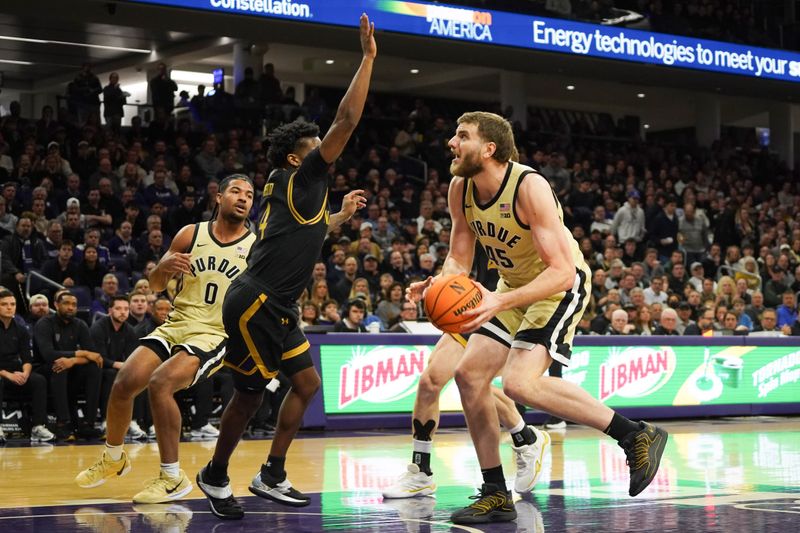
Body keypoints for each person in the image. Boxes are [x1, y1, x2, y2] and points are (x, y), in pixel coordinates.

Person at [407, 111, 667, 524]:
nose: (451, 143)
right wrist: (438, 283)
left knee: (518, 383)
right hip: (512, 286)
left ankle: (635, 434)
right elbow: (459, 256)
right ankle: (495, 492)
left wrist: (498, 302)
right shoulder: (461, 188)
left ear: (489, 148)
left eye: (462, 136)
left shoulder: (529, 187)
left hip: (559, 284)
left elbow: (561, 271)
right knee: (469, 375)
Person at [195, 14, 376, 520]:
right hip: (256, 302)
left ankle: (271, 473)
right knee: (250, 398)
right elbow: (346, 121)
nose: (324, 150)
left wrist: (339, 216)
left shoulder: (290, 187)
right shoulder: (304, 175)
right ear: (300, 159)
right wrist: (367, 59)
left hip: (275, 305)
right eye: (313, 148)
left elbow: (309, 231)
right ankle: (214, 475)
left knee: (307, 385)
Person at [74, 175, 256, 504]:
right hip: (176, 323)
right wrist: (164, 265)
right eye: (236, 191)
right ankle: (114, 458)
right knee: (124, 382)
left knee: (160, 383)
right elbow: (156, 284)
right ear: (218, 197)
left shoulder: (256, 245)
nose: (243, 198)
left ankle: (172, 477)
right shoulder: (192, 233)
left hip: (215, 333)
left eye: (249, 194)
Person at [33, 291, 103, 441]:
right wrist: (80, 353)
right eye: (66, 304)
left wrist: (73, 360)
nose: (71, 307)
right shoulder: (44, 323)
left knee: (94, 368)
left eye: (74, 304)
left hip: (72, 368)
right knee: (60, 366)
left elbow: (94, 356)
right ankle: (63, 424)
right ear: (56, 305)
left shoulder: (80, 324)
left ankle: (88, 424)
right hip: (44, 368)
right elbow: (48, 355)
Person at [0, 289, 54, 443]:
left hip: (16, 371)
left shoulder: (21, 329)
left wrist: (25, 373)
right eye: (4, 304)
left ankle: (38, 426)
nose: (9, 307)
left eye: (13, 304)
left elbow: (27, 358)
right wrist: (7, 374)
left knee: (38, 380)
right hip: (2, 373)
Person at [89, 295, 142, 438]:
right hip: (99, 367)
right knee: (110, 374)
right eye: (118, 308)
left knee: (138, 376)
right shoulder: (98, 328)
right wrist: (119, 365)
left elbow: (132, 356)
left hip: (121, 367)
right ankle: (106, 420)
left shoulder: (130, 330)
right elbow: (98, 357)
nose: (123, 312)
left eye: (126, 309)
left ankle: (133, 421)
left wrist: (128, 366)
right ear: (110, 310)